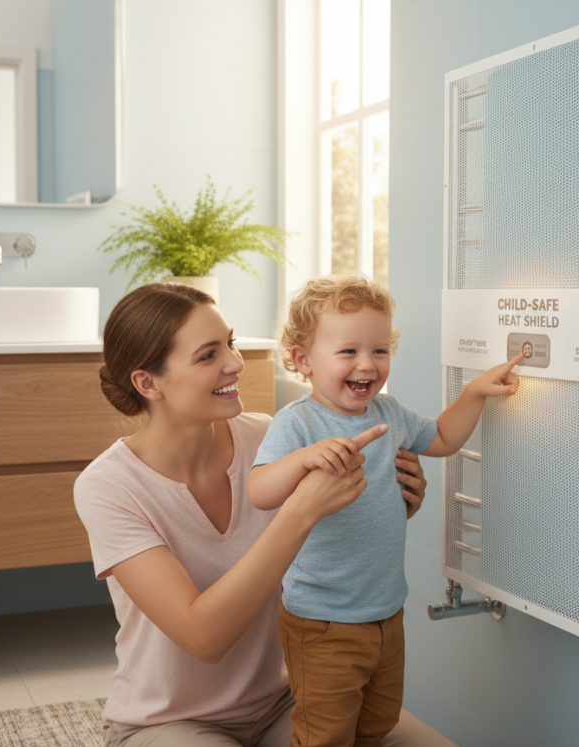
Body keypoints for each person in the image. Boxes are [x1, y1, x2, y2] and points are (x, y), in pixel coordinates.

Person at [73, 282, 430, 747]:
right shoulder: (109, 486)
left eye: (231, 343)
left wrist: (391, 502)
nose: (235, 363)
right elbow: (203, 638)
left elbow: (331, 542)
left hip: (287, 698)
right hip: (170, 721)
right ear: (148, 383)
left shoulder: (270, 439)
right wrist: (301, 511)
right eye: (207, 355)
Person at [248, 275, 523, 747]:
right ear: (302, 360)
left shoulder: (389, 413)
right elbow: (260, 490)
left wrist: (474, 392)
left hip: (385, 614)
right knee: (324, 735)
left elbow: (441, 438)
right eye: (348, 351)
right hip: (322, 622)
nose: (367, 364)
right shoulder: (299, 423)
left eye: (379, 350)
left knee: (375, 727)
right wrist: (303, 459)